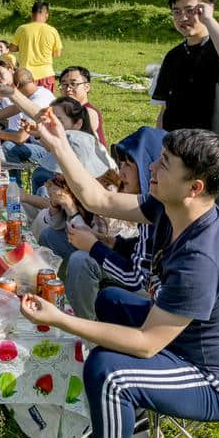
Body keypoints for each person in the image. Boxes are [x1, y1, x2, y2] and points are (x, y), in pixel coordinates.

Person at [21, 119, 219, 438]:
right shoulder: (170, 208)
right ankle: (131, 416)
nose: (152, 168)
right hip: (181, 345)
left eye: (165, 164)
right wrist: (58, 143)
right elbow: (96, 198)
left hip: (215, 380)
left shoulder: (201, 258)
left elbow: (147, 344)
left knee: (109, 372)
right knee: (111, 299)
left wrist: (61, 320)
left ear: (194, 187)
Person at [152, 0, 219, 240]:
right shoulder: (173, 57)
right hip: (177, 158)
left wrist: (210, 21)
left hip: (213, 157)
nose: (183, 17)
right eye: (176, 11)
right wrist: (159, 152)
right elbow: (164, 112)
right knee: (177, 222)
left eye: (191, 10)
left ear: (209, 8)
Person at [62, 126, 166, 322]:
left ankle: (85, 333)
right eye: (121, 164)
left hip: (155, 299)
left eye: (129, 165)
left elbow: (137, 278)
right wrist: (113, 243)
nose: (121, 171)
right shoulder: (149, 203)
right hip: (142, 280)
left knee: (82, 260)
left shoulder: (155, 210)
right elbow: (142, 249)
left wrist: (94, 246)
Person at [9, 0, 63, 91]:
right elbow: (57, 53)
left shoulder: (22, 29)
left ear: (31, 14)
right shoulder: (52, 30)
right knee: (46, 103)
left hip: (26, 75)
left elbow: (12, 48)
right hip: (46, 74)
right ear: (46, 14)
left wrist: (23, 46)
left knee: (26, 104)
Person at [58, 66, 107, 147]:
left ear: (86, 87)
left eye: (73, 84)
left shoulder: (89, 113)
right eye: (64, 84)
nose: (68, 89)